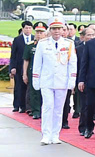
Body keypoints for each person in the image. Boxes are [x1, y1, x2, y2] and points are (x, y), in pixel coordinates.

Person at [32, 15, 77, 145]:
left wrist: (71, 80)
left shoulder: (69, 44)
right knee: (47, 107)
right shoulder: (42, 43)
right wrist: (36, 79)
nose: (56, 31)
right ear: (50, 30)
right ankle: (46, 134)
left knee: (58, 109)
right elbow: (37, 63)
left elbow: (72, 63)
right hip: (46, 80)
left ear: (63, 30)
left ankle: (55, 134)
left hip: (62, 81)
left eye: (59, 29)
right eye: (54, 29)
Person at [24, 23, 47, 120]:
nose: (39, 34)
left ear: (45, 33)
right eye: (37, 32)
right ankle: (35, 111)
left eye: (41, 32)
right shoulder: (30, 46)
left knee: (45, 92)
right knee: (34, 92)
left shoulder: (48, 44)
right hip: (33, 72)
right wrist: (24, 73)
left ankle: (44, 110)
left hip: (46, 72)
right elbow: (26, 60)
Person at [10, 21, 33, 114]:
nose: (28, 30)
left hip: (30, 67)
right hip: (19, 67)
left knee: (29, 87)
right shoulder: (17, 40)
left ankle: (28, 106)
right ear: (23, 29)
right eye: (26, 28)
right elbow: (13, 55)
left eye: (29, 28)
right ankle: (18, 105)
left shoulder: (34, 39)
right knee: (19, 87)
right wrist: (12, 67)